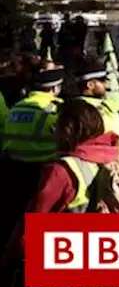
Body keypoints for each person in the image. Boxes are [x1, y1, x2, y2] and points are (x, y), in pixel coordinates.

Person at [0, 101, 119, 287]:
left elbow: (33, 223)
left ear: (69, 129)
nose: (54, 131)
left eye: (58, 125)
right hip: (112, 262)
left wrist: (9, 261)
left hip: (71, 266)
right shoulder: (113, 160)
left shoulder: (62, 171)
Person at [0, 68, 65, 248]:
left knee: (13, 217)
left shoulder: (16, 107)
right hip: (42, 172)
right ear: (55, 88)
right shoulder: (55, 111)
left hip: (13, 169)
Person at [73, 59, 119, 162]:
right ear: (90, 85)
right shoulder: (91, 112)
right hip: (107, 163)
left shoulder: (75, 108)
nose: (106, 85)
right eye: (102, 81)